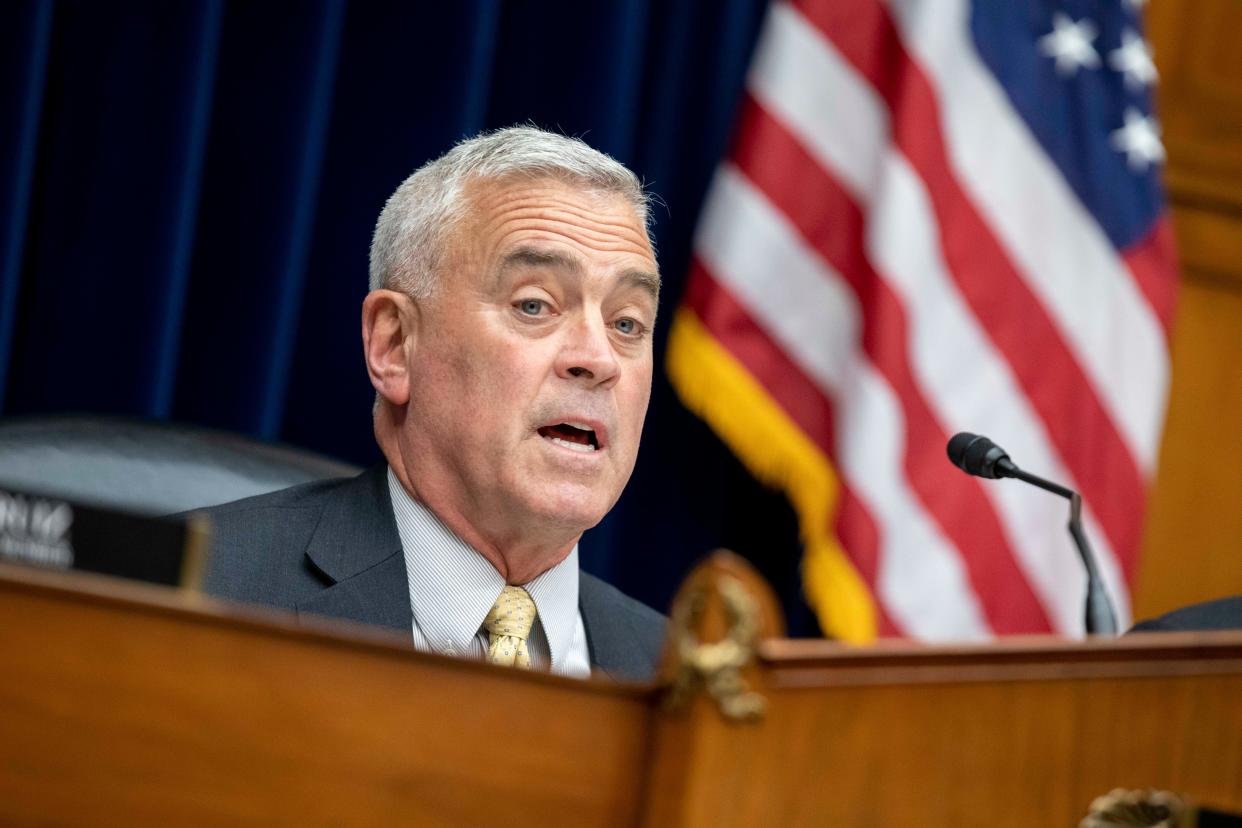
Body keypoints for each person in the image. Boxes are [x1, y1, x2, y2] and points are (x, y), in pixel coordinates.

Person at [202, 126, 666, 681]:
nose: (599, 358)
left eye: (626, 323)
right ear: (394, 344)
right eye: (535, 305)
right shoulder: (190, 601)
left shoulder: (689, 687)